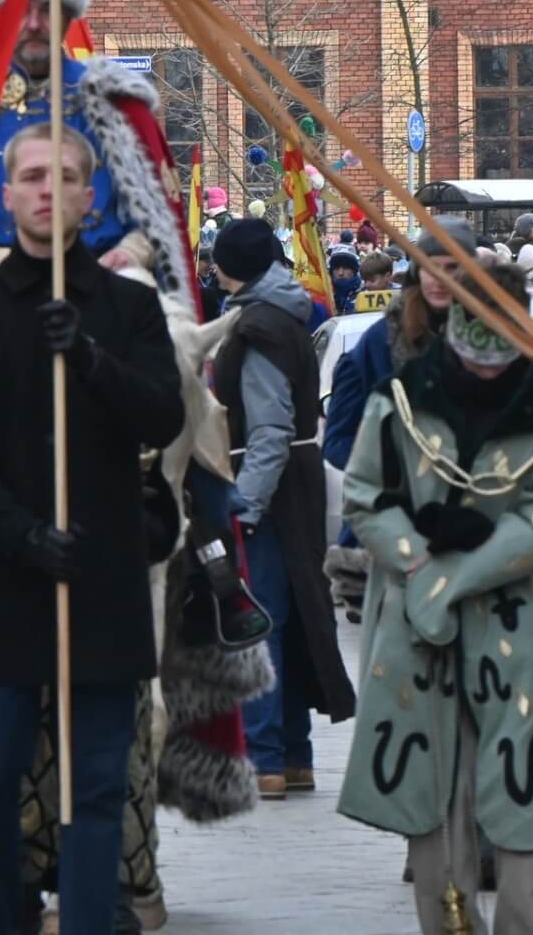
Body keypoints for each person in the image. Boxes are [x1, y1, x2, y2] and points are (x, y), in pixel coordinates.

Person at [0, 0, 256, 923]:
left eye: (52, 10)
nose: (38, 27)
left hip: (108, 300)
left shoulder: (116, 105)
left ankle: (216, 573)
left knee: (186, 413)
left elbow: (155, 222)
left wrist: (110, 272)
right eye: (24, 12)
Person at [0, 124, 185, 935]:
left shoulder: (131, 308)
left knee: (96, 789)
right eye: (32, 176)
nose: (47, 189)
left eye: (65, 176)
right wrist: (21, 534)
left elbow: (163, 413)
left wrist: (95, 359)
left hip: (99, 580)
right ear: (6, 197)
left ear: (90, 196)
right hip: (4, 584)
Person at [340, 261, 533, 935]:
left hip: (530, 639)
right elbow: (366, 496)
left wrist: (456, 575)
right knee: (435, 824)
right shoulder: (401, 398)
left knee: (530, 820)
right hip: (423, 643)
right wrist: (416, 556)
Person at [210, 219, 354, 800]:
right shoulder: (279, 314)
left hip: (267, 488)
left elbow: (268, 427)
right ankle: (292, 756)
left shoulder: (259, 326)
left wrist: (245, 502)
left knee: (259, 620)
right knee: (287, 616)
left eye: (220, 260)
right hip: (291, 484)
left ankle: (266, 755)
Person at [322, 217, 476, 473]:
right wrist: (393, 470)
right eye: (431, 267)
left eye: (452, 268)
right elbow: (338, 441)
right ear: (418, 272)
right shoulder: (380, 342)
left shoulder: (493, 338)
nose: (440, 279)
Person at [326, 247, 362, 316]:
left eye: (346, 268)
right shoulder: (325, 295)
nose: (340, 273)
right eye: (336, 268)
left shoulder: (365, 294)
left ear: (354, 271)